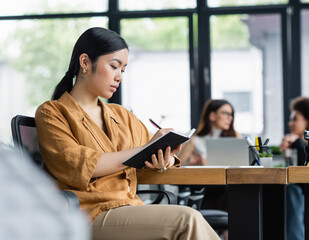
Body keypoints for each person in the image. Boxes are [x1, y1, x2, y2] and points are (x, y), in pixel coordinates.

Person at [35, 27, 220, 240]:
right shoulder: (52, 113)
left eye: (123, 70)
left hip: (130, 208)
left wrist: (163, 158)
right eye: (114, 66)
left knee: (188, 219)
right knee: (187, 220)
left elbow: (145, 154)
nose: (119, 77)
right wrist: (141, 151)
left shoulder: (121, 115)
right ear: (85, 62)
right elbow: (79, 166)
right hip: (87, 215)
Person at [280, 96, 309, 240]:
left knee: (292, 191)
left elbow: (308, 175)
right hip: (298, 191)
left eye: (295, 119)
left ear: (307, 121)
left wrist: (299, 143)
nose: (290, 123)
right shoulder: (294, 144)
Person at [178, 99, 240, 166]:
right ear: (212, 116)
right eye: (225, 113)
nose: (230, 118)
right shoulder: (195, 141)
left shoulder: (236, 138)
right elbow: (176, 167)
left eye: (231, 114)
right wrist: (193, 164)